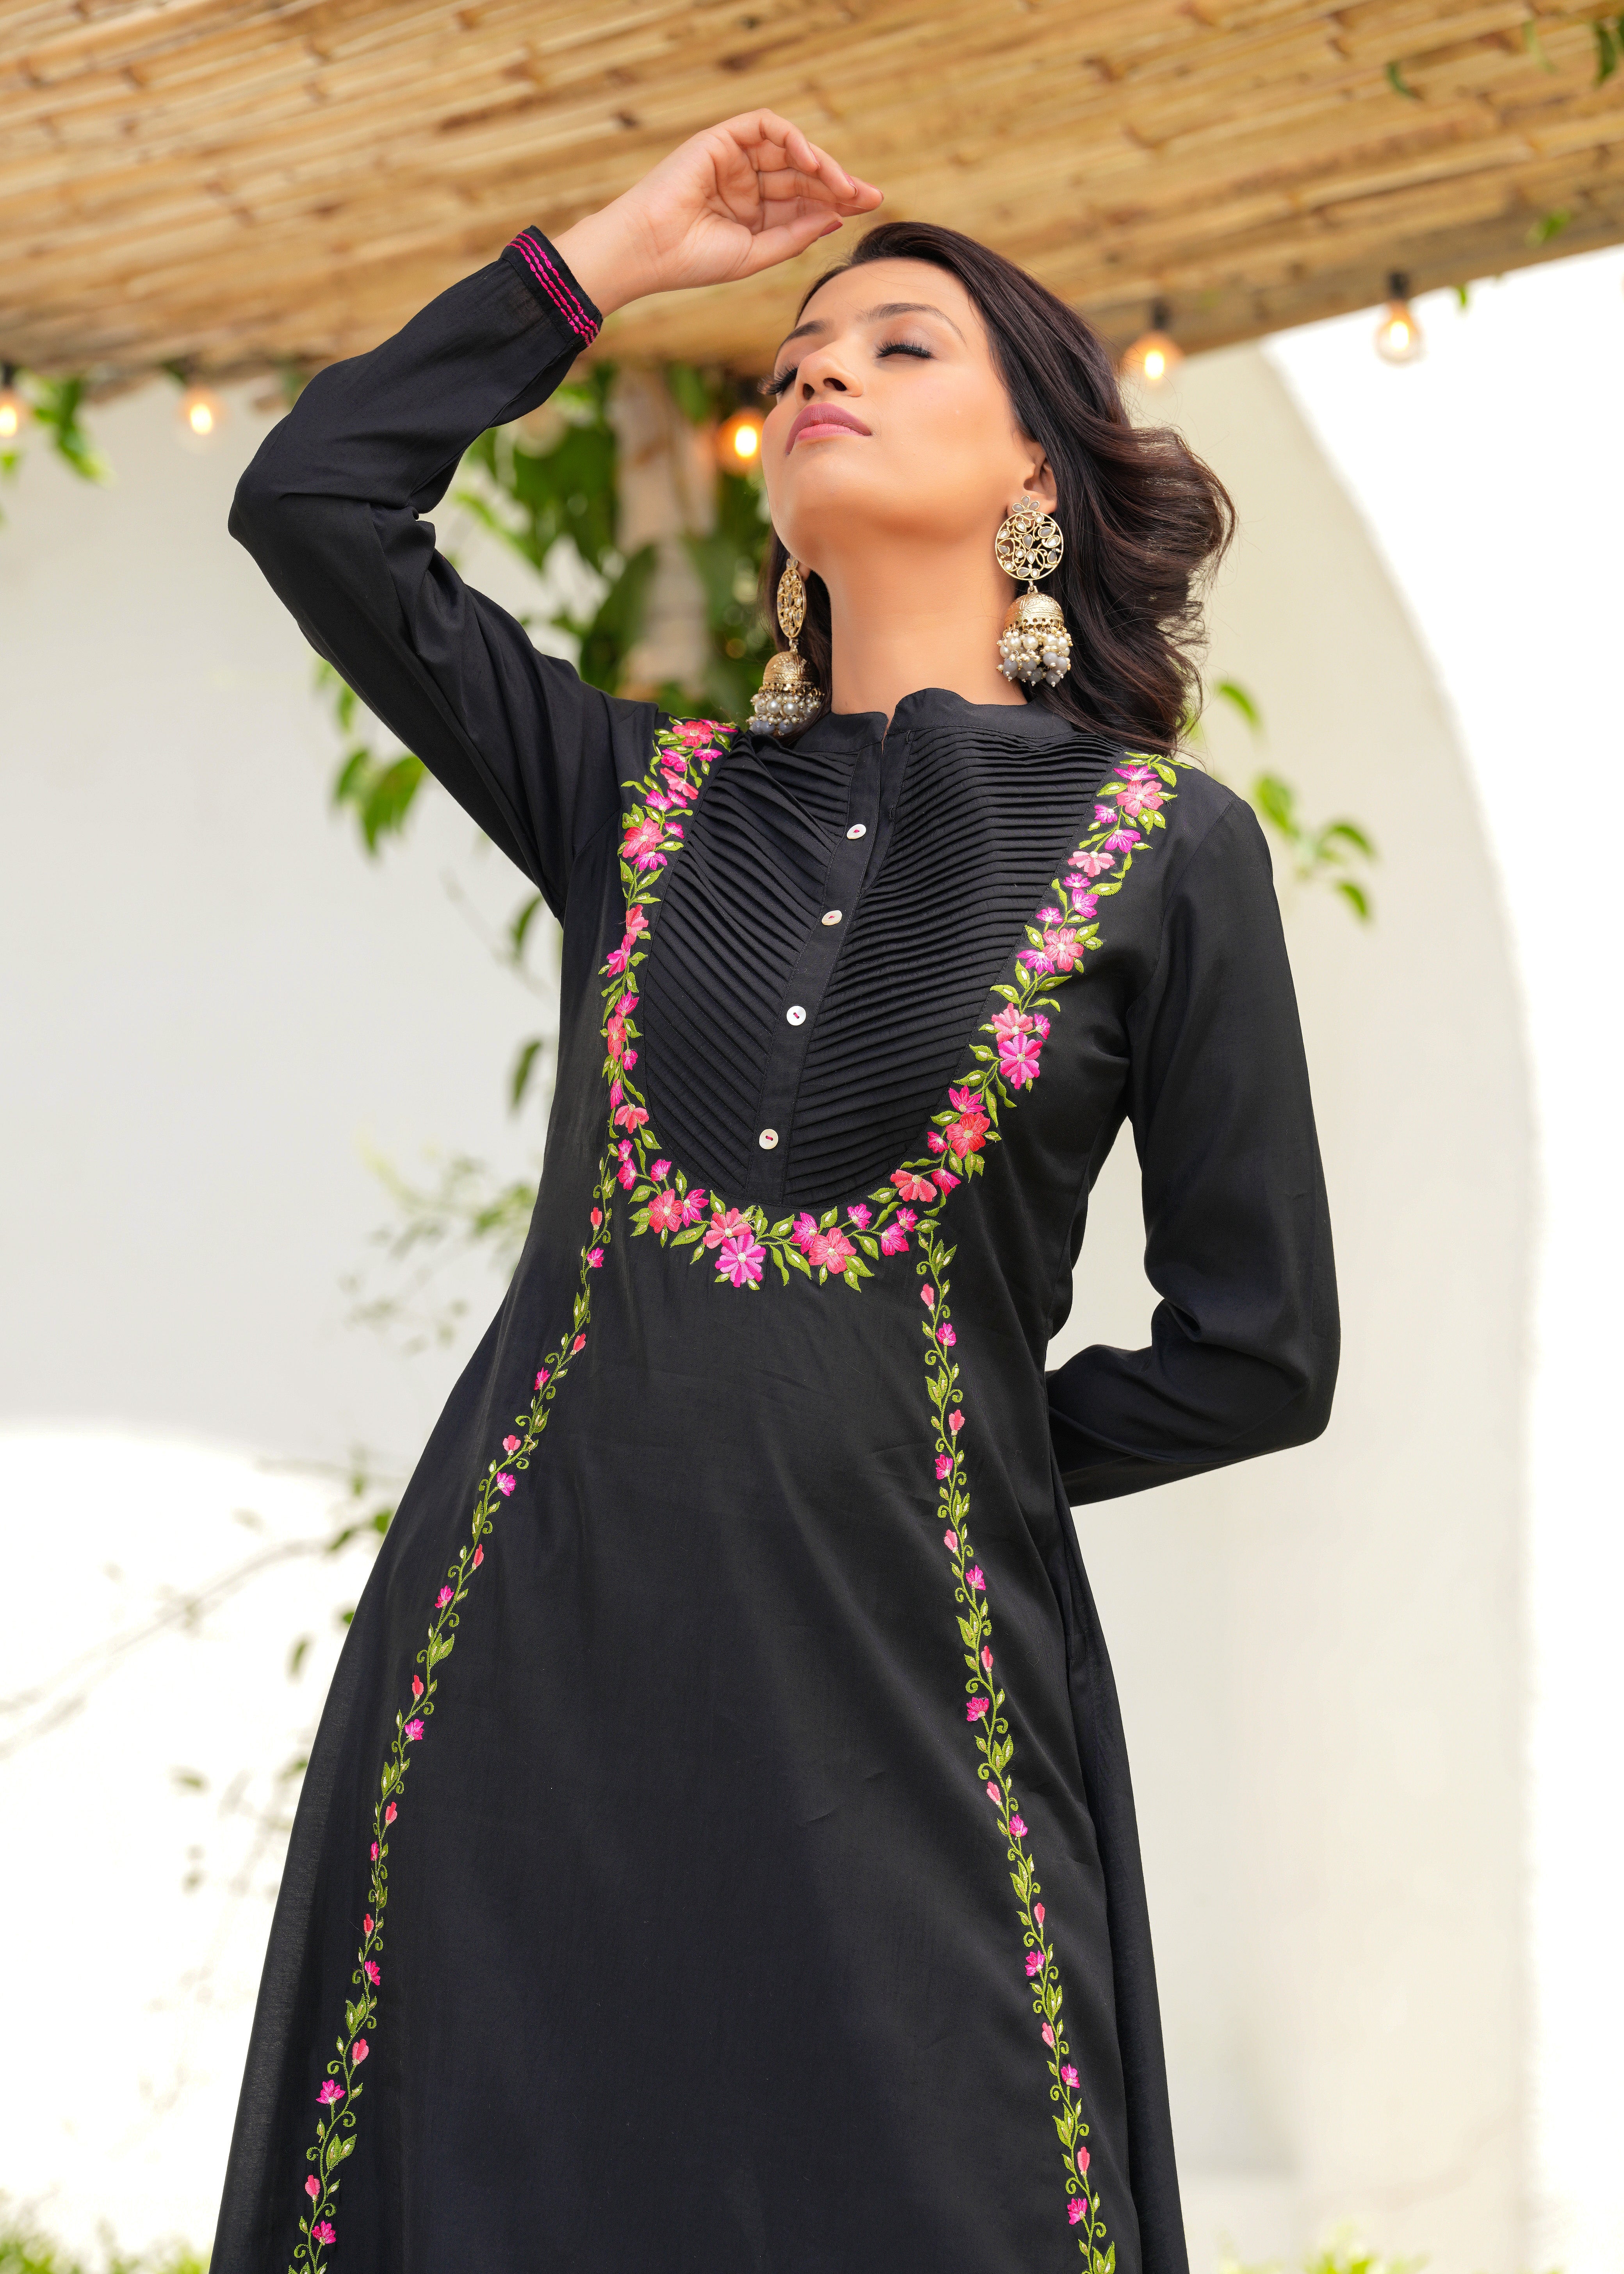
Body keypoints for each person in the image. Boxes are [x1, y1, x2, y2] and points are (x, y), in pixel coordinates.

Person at [216, 110, 1337, 2274]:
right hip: (533, 1662)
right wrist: (611, 258)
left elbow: (1258, 1355)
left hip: (905, 1692)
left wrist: (933, 1450)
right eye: (801, 351)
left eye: (901, 345)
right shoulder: (636, 801)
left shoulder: (1165, 851)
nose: (821, 367)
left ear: (1039, 475)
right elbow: (314, 499)